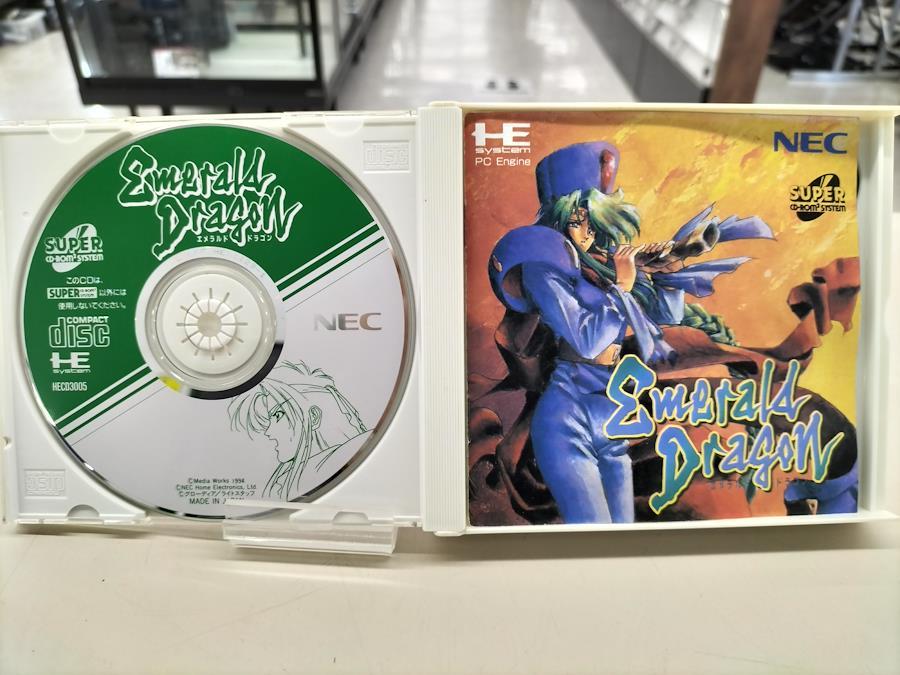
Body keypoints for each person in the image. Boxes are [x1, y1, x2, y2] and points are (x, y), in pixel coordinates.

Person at [487, 141, 773, 523]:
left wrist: (668, 276)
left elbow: (664, 317)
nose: (587, 230)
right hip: (568, 415)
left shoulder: (601, 265)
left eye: (592, 218)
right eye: (578, 218)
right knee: (592, 536)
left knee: (622, 533)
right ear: (559, 216)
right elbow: (587, 340)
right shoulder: (543, 270)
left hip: (613, 416)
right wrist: (622, 286)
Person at [228, 360, 370, 500]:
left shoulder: (324, 470)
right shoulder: (287, 478)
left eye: (278, 415)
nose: (268, 431)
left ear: (313, 416)